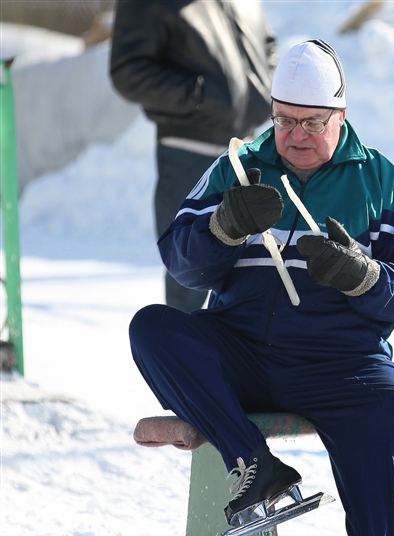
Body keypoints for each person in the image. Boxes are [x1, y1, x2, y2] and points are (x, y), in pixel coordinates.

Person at [129, 40, 394, 536]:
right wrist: (222, 227)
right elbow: (178, 257)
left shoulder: (380, 180)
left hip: (340, 361)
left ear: (341, 115)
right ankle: (253, 464)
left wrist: (362, 276)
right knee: (152, 327)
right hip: (240, 351)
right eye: (284, 119)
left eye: (312, 123)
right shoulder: (237, 167)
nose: (295, 135)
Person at [110, 0, 278, 312]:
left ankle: (242, 359)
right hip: (189, 153)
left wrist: (264, 90)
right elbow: (127, 69)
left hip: (247, 152)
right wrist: (201, 97)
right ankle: (183, 360)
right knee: (190, 273)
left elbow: (268, 46)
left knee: (252, 269)